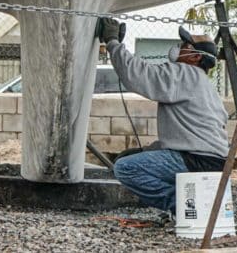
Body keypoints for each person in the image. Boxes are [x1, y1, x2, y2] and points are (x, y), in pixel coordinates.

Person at [97, 18, 229, 220]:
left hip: (195, 160)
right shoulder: (205, 85)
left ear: (194, 56)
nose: (178, 47)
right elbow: (192, 135)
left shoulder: (183, 73)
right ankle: (193, 207)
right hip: (215, 162)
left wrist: (113, 42)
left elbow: (139, 74)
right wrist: (150, 150)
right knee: (132, 159)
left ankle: (185, 208)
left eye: (184, 45)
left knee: (124, 168)